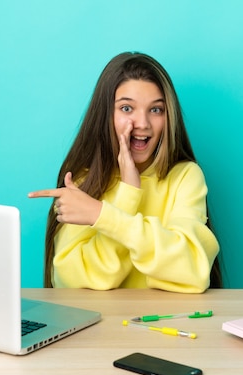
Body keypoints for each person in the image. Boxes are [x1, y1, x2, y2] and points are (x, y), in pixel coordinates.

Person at [28, 52, 221, 293]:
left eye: (156, 110)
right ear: (105, 115)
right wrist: (129, 193)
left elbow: (192, 271)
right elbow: (72, 284)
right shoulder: (84, 182)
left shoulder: (185, 177)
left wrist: (102, 215)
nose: (142, 123)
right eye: (127, 108)